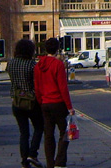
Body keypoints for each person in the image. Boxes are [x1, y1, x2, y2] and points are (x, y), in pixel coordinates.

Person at [34, 37, 75, 168]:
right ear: (57, 49)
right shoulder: (58, 65)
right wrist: (70, 107)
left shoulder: (38, 65)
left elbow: (37, 87)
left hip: (45, 103)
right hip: (58, 102)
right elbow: (63, 88)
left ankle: (50, 163)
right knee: (65, 132)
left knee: (48, 135)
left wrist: (41, 102)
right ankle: (60, 161)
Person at [8, 38, 44, 168]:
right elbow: (36, 84)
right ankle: (32, 154)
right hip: (32, 102)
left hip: (16, 101)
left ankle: (24, 160)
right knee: (39, 127)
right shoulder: (32, 65)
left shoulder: (10, 64)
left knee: (24, 133)